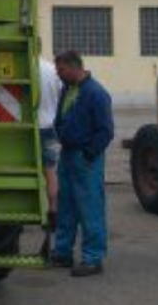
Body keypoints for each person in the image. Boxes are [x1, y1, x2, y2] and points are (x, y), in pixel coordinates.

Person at [51, 50, 114, 277]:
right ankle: (62, 252)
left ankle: (93, 258)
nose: (58, 74)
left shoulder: (96, 93)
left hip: (85, 158)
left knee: (90, 209)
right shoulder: (69, 89)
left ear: (74, 66)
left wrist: (89, 153)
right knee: (66, 205)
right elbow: (60, 118)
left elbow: (106, 131)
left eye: (61, 70)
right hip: (68, 155)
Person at [38, 56, 64, 228]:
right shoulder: (52, 70)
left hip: (28, 126)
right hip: (50, 126)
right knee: (51, 172)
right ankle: (53, 212)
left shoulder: (17, 64)